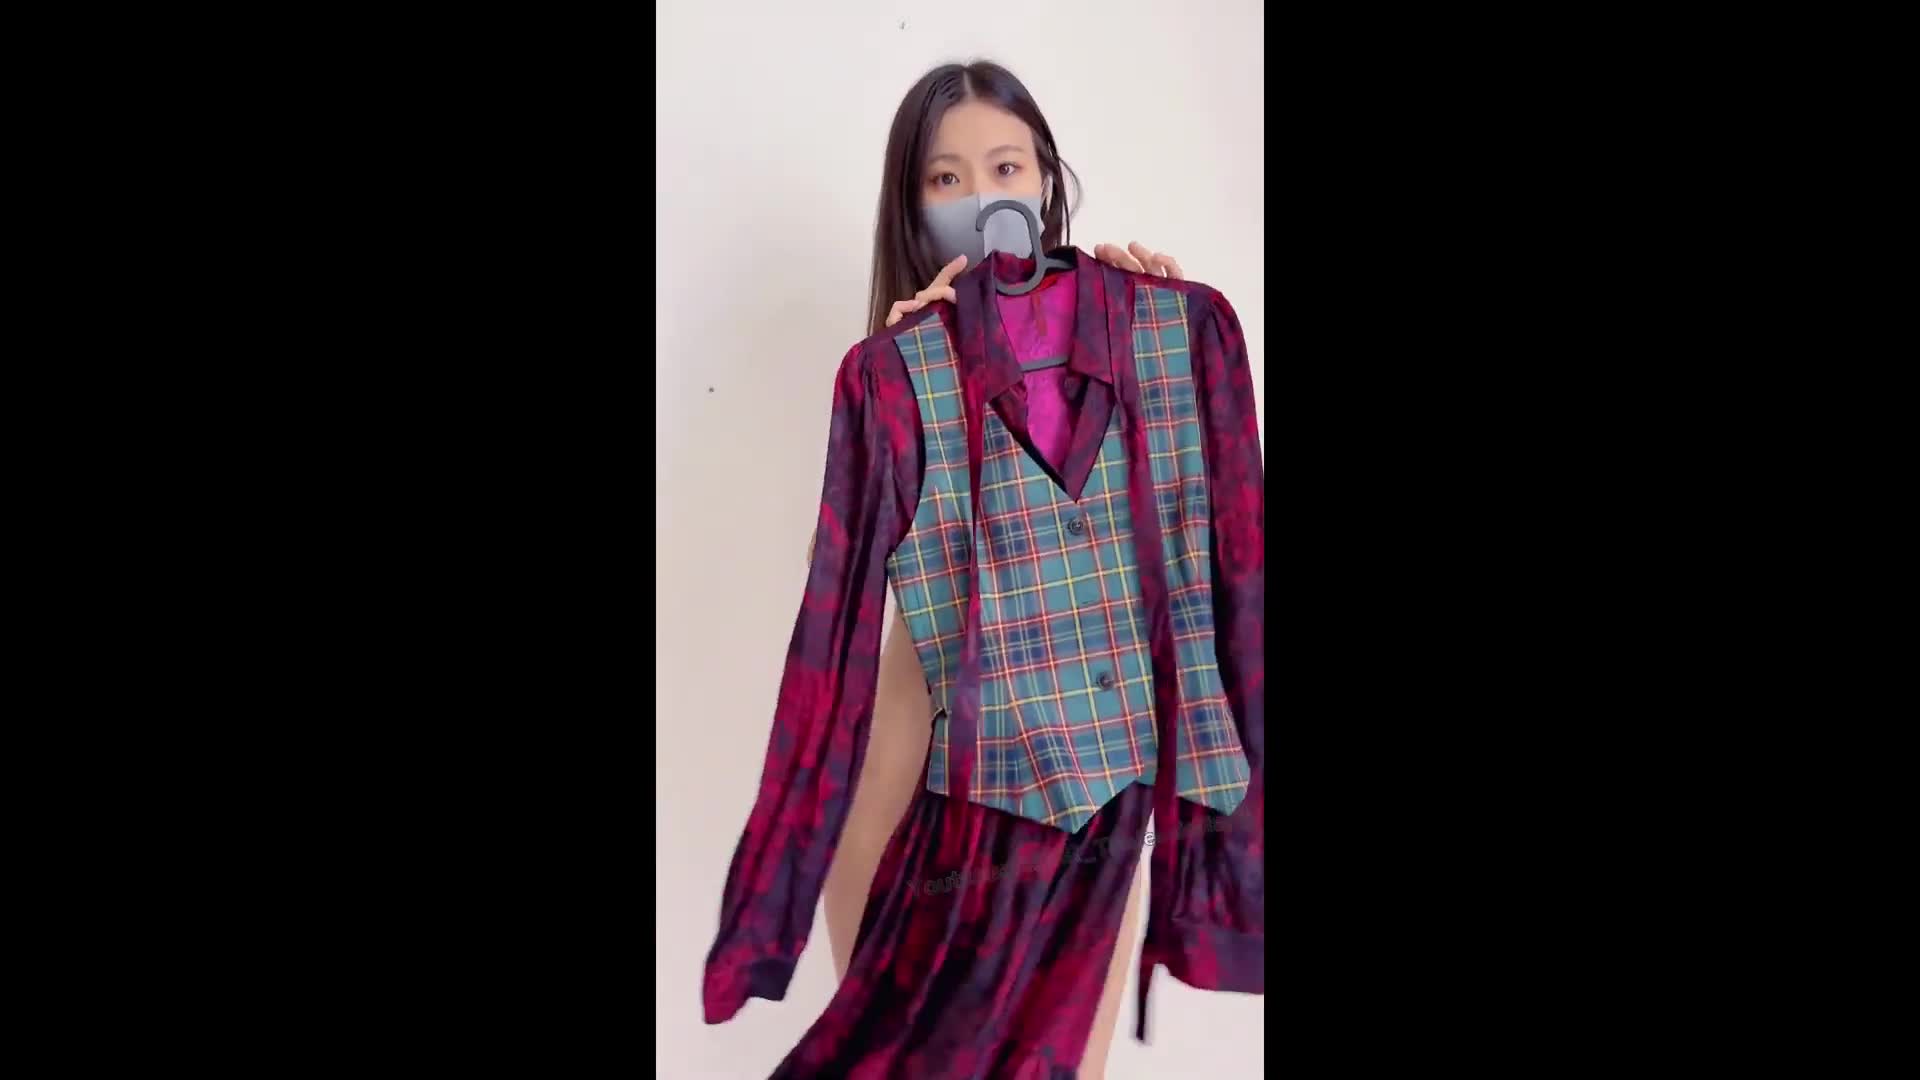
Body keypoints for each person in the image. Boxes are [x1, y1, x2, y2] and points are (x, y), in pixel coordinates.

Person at [822, 60, 1186, 1077]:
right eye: (945, 177)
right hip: (928, 843)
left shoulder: (1125, 338)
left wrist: (1163, 361)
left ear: (1045, 183)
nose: (981, 196)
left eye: (1005, 166)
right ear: (912, 207)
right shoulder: (902, 379)